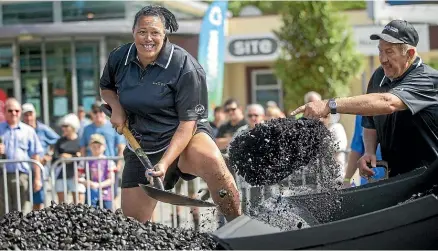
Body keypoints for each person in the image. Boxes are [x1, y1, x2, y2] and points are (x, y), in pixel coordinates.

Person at [99, 5, 241, 223]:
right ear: (133, 32)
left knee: (212, 160)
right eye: (142, 32)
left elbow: (187, 123)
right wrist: (116, 108)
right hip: (142, 144)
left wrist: (165, 164)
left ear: (165, 34)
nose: (148, 38)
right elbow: (106, 88)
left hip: (186, 135)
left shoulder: (185, 66)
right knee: (132, 225)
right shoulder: (120, 57)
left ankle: (237, 224)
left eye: (155, 32)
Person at [291, 20, 438, 179]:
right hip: (398, 178)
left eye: (389, 52)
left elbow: (387, 103)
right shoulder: (380, 76)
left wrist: (330, 104)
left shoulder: (427, 79)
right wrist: (369, 151)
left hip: (431, 179)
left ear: (409, 54)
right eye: (380, 51)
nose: (382, 59)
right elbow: (370, 122)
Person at [0, 98, 43, 215]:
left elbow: (35, 155)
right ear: (4, 112)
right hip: (2, 175)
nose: (14, 113)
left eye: (17, 111)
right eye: (10, 111)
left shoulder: (28, 131)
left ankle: (20, 233)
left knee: (22, 209)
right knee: (3, 210)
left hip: (22, 176)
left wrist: (37, 179)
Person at [80, 101, 125, 203]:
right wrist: (83, 165)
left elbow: (121, 146)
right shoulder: (87, 129)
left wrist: (119, 163)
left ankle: (111, 214)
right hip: (92, 167)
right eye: (95, 111)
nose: (98, 114)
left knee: (112, 194)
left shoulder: (113, 126)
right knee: (93, 197)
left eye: (101, 111)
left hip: (109, 166)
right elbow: (82, 147)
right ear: (91, 113)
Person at [22, 103, 60, 210]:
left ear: (35, 115)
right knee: (22, 200)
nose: (28, 117)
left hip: (39, 168)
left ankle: (36, 222)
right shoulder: (21, 129)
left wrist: (49, 154)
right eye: (26, 115)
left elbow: (58, 141)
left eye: (30, 114)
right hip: (24, 169)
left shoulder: (43, 129)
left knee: (38, 199)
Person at [343, 115, 383, 188]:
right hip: (369, 181)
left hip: (398, 177)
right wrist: (347, 179)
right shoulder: (362, 115)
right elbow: (356, 150)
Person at [53, 113, 85, 204]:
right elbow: (55, 157)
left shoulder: (80, 141)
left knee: (79, 203)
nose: (63, 128)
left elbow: (82, 156)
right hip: (61, 175)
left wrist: (71, 157)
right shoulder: (60, 141)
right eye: (63, 126)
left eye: (66, 126)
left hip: (77, 175)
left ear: (73, 127)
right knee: (61, 204)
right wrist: (73, 156)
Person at [78, 134, 116, 210]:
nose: (96, 148)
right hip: (90, 196)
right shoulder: (85, 161)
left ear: (104, 147)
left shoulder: (109, 161)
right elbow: (77, 177)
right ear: (90, 147)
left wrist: (98, 185)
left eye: (99, 146)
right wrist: (87, 182)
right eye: (93, 146)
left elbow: (111, 179)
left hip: (106, 196)